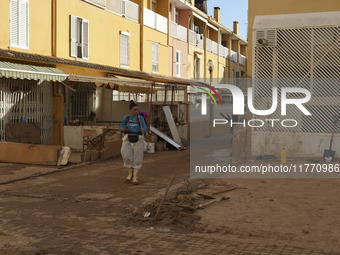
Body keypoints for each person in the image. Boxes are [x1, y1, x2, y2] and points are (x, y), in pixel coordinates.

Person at [120, 101, 147, 185]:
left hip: (138, 138)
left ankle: (135, 177)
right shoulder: (126, 118)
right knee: (126, 155)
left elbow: (145, 127)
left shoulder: (140, 118)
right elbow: (121, 127)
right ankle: (129, 174)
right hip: (128, 138)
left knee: (137, 157)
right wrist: (123, 129)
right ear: (130, 110)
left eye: (137, 110)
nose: (136, 111)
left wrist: (144, 130)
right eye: (134, 110)